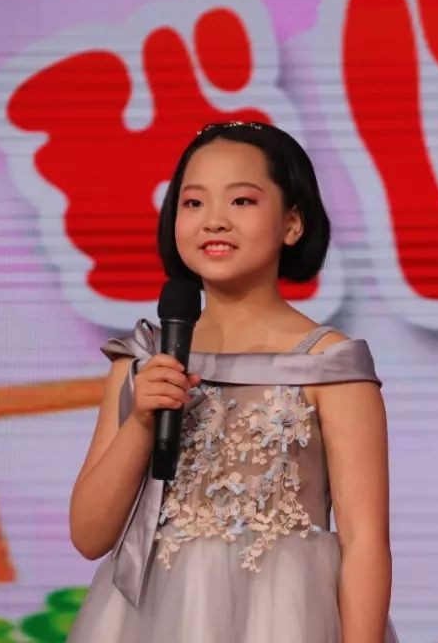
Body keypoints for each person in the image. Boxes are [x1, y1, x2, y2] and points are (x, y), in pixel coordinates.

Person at [67, 121, 397, 642]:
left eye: (241, 201)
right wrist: (141, 423)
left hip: (281, 615)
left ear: (292, 223)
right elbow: (89, 536)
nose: (214, 221)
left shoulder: (330, 365)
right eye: (193, 203)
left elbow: (365, 544)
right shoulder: (144, 358)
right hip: (149, 617)